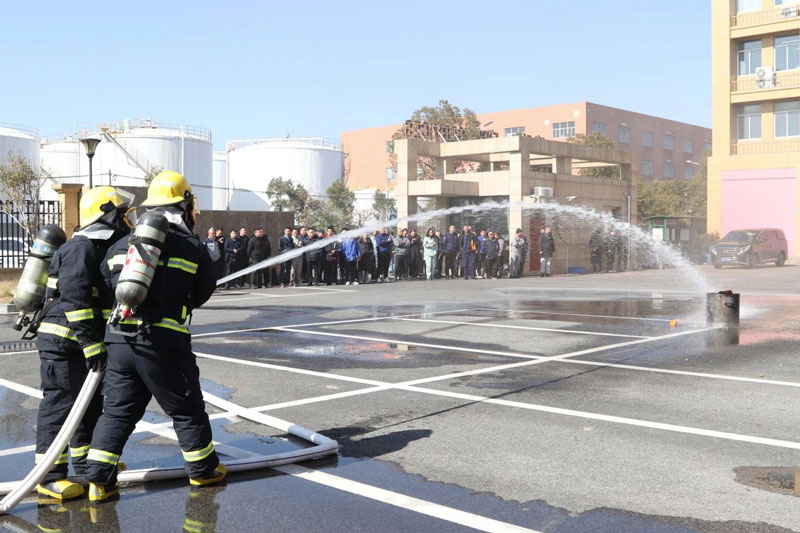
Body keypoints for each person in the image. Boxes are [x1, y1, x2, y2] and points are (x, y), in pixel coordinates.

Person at [86, 171, 225, 502]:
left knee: (118, 410)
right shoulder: (191, 247)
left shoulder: (121, 245)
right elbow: (204, 290)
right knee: (185, 406)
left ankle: (98, 481)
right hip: (163, 343)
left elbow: (108, 286)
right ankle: (203, 470)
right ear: (184, 204)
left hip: (119, 340)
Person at [33, 186, 134, 501]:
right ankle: (48, 476)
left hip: (79, 342)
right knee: (60, 407)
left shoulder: (98, 247)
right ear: (108, 215)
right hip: (65, 342)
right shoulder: (81, 248)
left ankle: (87, 463)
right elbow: (75, 300)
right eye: (122, 216)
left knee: (88, 406)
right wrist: (92, 345)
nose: (126, 222)